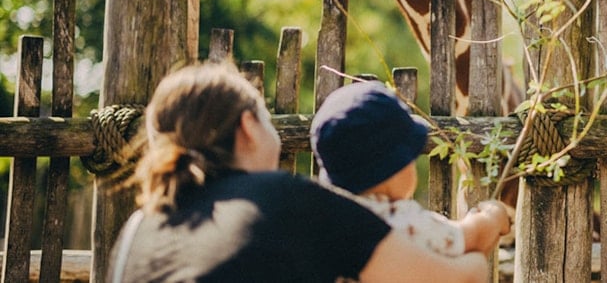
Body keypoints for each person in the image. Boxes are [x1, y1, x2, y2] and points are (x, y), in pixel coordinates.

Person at [109, 62, 490, 283]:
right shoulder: (283, 199)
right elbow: (455, 278)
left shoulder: (138, 228)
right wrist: (480, 255)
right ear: (248, 127)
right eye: (266, 117)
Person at [310, 81, 511, 264]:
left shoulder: (318, 220)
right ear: (393, 169)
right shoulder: (403, 224)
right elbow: (472, 236)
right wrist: (493, 215)